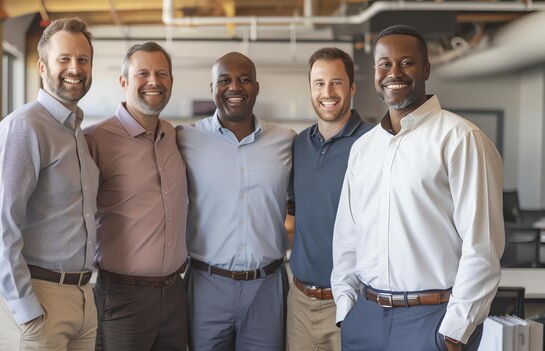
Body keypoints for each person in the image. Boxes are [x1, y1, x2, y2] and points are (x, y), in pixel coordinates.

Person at [330, 24, 504, 351]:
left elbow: (483, 246)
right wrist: (347, 311)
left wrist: (454, 332)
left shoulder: (461, 139)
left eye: (406, 62)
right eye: (384, 63)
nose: (393, 72)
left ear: (426, 68)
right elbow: (347, 238)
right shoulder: (363, 149)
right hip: (364, 319)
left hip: (432, 321)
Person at [0, 18, 99, 350]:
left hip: (82, 298)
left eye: (83, 59)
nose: (75, 68)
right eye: (64, 59)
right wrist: (25, 309)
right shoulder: (25, 128)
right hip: (38, 298)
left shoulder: (75, 131)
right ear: (43, 67)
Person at [176, 52, 295, 351]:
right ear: (212, 87)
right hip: (206, 286)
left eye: (244, 80)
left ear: (257, 86)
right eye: (225, 80)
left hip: (266, 288)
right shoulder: (185, 139)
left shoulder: (286, 141)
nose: (235, 87)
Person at [84, 42, 188, 350]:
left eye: (162, 73)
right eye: (143, 73)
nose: (154, 81)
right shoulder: (95, 140)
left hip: (174, 294)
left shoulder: (173, 135)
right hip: (122, 298)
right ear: (124, 82)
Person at [287, 47, 371, 350]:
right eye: (319, 83)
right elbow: (296, 214)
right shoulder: (300, 144)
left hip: (351, 303)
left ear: (351, 87)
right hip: (298, 301)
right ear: (310, 89)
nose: (327, 92)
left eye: (336, 82)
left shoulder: (373, 144)